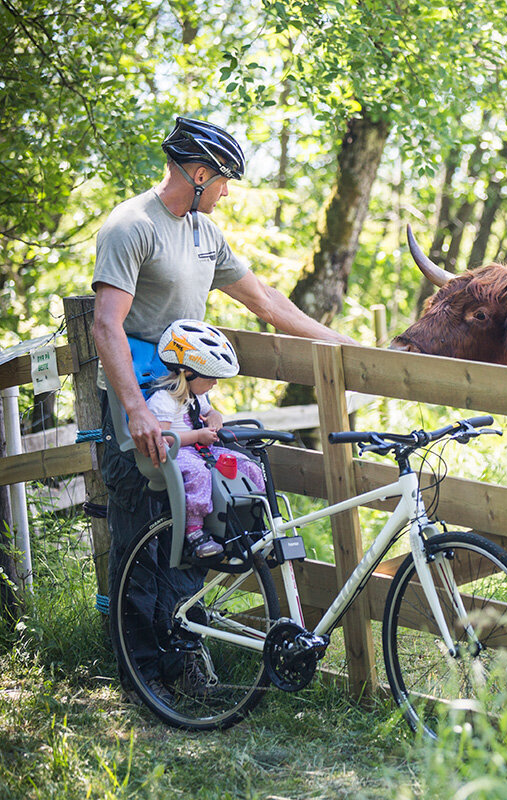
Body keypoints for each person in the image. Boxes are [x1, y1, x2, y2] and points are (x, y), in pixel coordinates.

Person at [92, 116, 353, 697]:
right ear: (200, 172)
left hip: (186, 399)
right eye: (226, 179)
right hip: (138, 401)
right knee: (140, 531)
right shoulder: (132, 227)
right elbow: (106, 326)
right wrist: (134, 410)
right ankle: (142, 676)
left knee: (195, 526)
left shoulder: (206, 234)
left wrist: (341, 345)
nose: (228, 191)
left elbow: (263, 300)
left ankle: (182, 654)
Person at [148, 319, 264, 560]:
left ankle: (255, 522)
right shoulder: (164, 400)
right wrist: (198, 435)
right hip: (178, 454)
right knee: (199, 474)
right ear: (188, 372)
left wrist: (215, 417)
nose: (215, 383)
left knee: (248, 466)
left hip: (204, 451)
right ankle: (195, 531)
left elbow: (210, 412)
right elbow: (163, 438)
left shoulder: (196, 396)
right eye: (210, 377)